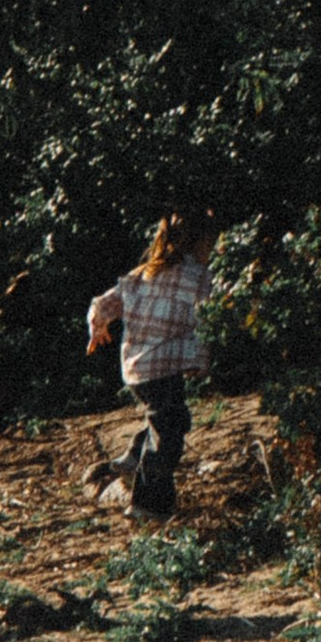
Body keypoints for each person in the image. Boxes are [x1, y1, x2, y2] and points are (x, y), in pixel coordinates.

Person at [86, 209, 216, 518]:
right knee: (168, 437)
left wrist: (97, 328)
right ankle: (148, 504)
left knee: (168, 420)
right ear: (201, 243)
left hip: (136, 370)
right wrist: (203, 359)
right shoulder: (200, 277)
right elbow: (209, 319)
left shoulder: (143, 273)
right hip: (165, 367)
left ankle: (133, 457)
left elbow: (102, 304)